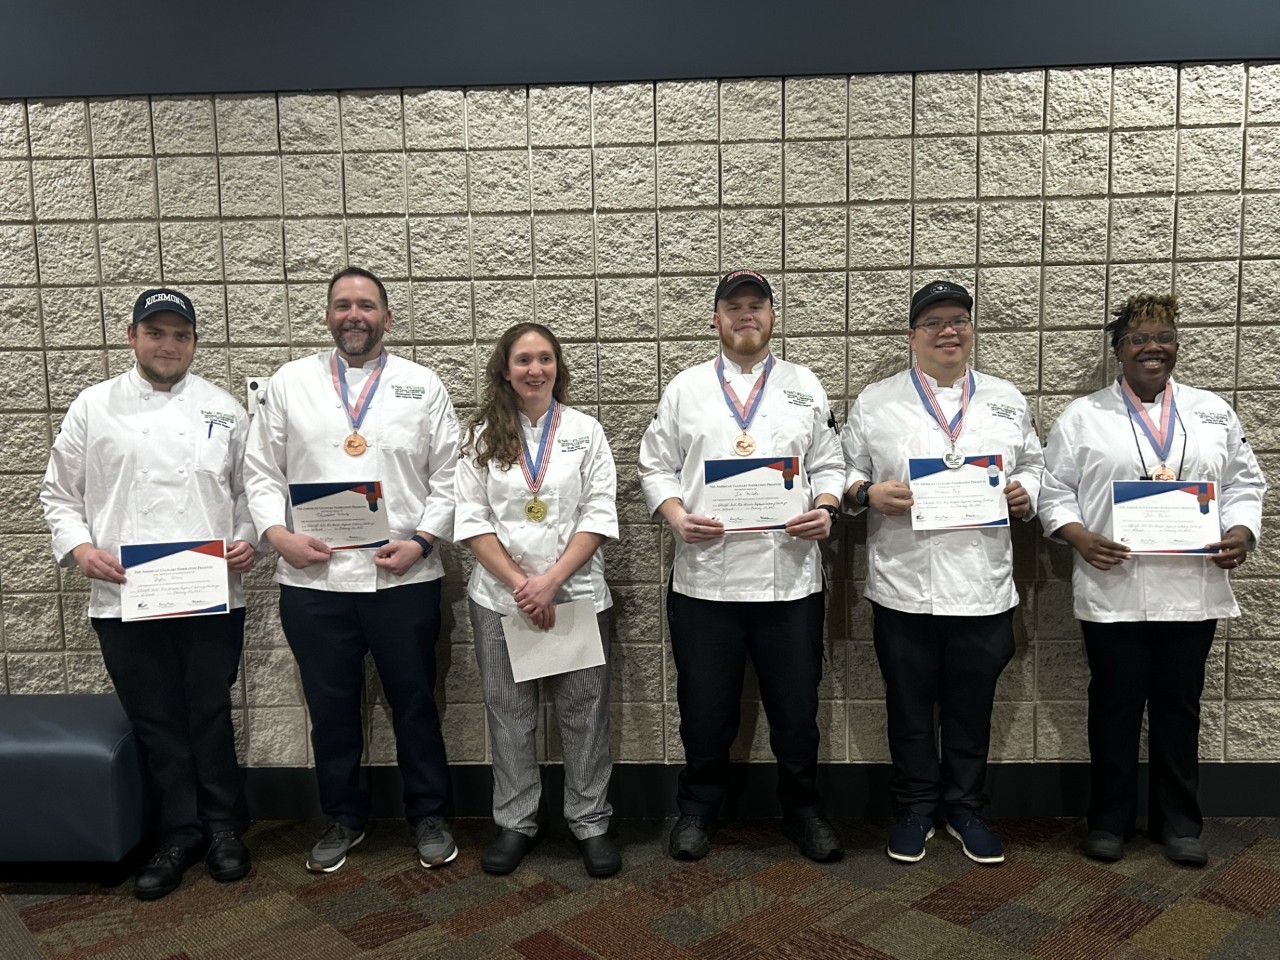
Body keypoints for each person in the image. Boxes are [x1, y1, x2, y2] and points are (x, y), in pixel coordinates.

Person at [40, 288, 256, 900]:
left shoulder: (225, 410)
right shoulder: (94, 407)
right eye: (155, 333)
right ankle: (177, 832)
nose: (168, 345)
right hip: (126, 594)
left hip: (210, 591)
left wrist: (247, 541)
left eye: (180, 335)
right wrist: (81, 550)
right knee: (157, 720)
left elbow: (251, 493)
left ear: (194, 342)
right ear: (132, 337)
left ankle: (223, 828)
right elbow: (60, 494)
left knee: (209, 711)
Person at [243, 267, 460, 874]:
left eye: (366, 305)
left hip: (403, 577)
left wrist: (421, 540)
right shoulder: (290, 383)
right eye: (342, 305)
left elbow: (450, 476)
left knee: (415, 701)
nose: (354, 315)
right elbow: (260, 471)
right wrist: (278, 536)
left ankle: (430, 814)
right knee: (329, 705)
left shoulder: (422, 384)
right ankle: (343, 816)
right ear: (328, 316)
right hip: (315, 581)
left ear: (387, 318)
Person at [1038, 293, 1264, 867]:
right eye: (1138, 338)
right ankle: (1108, 821)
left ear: (1177, 345)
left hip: (1191, 590)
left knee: (1178, 710)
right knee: (1113, 709)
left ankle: (1180, 823)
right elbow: (1052, 488)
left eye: (1163, 336)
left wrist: (1241, 532)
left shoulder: (1213, 412)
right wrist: (1078, 536)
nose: (1152, 347)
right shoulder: (1084, 415)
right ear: (1118, 350)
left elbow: (1244, 483)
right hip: (1115, 586)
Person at [638, 269, 846, 863]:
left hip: (791, 580)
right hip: (706, 582)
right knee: (705, 710)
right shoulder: (685, 389)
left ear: (773, 315)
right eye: (734, 307)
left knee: (796, 711)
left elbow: (829, 464)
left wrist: (827, 507)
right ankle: (699, 809)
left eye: (757, 305)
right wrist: (677, 517)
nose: (745, 315)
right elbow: (654, 467)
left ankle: (803, 809)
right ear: (716, 318)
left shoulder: (805, 385)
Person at [842, 279, 1043, 866]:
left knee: (971, 706)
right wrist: (866, 493)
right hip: (903, 584)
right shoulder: (877, 401)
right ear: (912, 336)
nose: (948, 331)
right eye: (933, 322)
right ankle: (914, 808)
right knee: (907, 707)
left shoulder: (1006, 398)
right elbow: (845, 472)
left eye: (958, 319)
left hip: (982, 585)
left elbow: (1034, 464)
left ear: (971, 330)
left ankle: (965, 808)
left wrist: (1025, 492)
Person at [455, 323, 621, 878]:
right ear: (505, 370)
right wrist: (520, 584)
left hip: (573, 593)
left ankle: (590, 820)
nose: (535, 369)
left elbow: (599, 513)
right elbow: (472, 519)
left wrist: (549, 581)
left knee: (584, 714)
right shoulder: (480, 435)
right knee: (509, 713)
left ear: (557, 367)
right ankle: (516, 820)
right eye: (523, 359)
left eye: (545, 359)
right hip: (500, 599)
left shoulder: (585, 431)